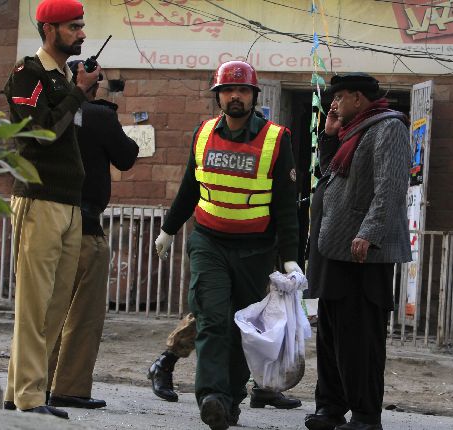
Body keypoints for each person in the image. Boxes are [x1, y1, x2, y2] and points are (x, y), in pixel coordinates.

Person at [153, 60, 300, 430]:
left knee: (242, 327)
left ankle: (230, 401)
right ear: (218, 96)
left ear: (253, 96)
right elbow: (190, 186)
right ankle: (212, 397)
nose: (236, 96)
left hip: (255, 248)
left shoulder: (275, 139)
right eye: (228, 90)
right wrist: (169, 229)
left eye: (243, 90)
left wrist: (290, 259)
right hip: (209, 242)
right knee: (213, 318)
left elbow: (286, 204)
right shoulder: (203, 133)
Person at [1, 0, 101, 419]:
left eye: (81, 26)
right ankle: (29, 396)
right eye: (73, 27)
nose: (81, 34)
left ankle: (18, 391)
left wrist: (79, 92)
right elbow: (40, 134)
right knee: (34, 304)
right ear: (49, 29)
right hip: (39, 201)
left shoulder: (62, 78)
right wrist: (78, 93)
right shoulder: (29, 74)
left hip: (69, 205)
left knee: (55, 305)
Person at [305, 74, 412, 430]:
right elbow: (327, 174)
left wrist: (369, 231)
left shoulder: (388, 128)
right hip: (333, 248)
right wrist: (329, 133)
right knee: (331, 333)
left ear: (358, 98)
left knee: (361, 338)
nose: (332, 104)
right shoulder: (351, 131)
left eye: (339, 98)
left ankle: (366, 415)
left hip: (364, 253)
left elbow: (391, 186)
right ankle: (330, 408)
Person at [45, 60, 139, 410]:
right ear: (90, 82)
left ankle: (31, 385)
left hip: (46, 223)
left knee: (43, 311)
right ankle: (68, 387)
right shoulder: (100, 116)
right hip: (85, 228)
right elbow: (127, 156)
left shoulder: (47, 112)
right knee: (83, 315)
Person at [147, 313, 302, 408]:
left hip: (268, 261)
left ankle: (264, 387)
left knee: (267, 316)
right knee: (212, 315)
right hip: (226, 261)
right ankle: (165, 363)